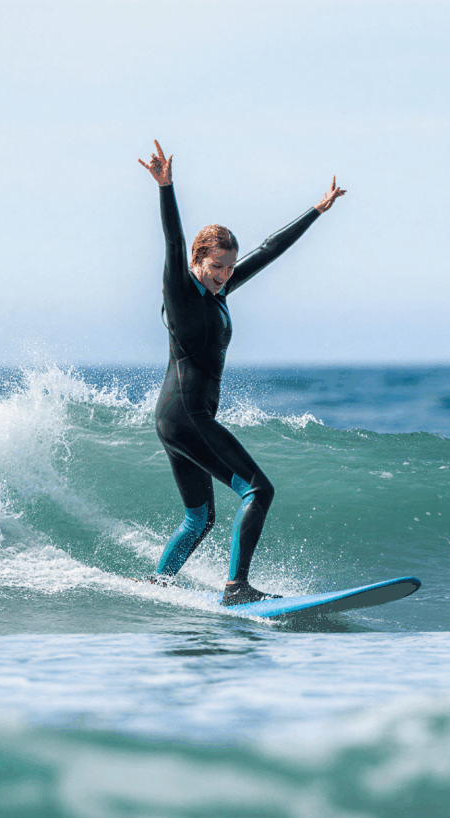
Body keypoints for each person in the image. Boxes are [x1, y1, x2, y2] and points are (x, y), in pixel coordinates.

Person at [138, 140, 346, 605]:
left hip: (173, 417)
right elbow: (173, 241)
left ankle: (157, 583)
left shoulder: (219, 292)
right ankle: (237, 588)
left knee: (199, 519)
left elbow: (269, 250)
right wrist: (166, 187)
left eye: (230, 267)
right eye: (217, 266)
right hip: (188, 416)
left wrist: (317, 210)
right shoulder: (181, 289)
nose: (225, 274)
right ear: (197, 261)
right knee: (258, 490)